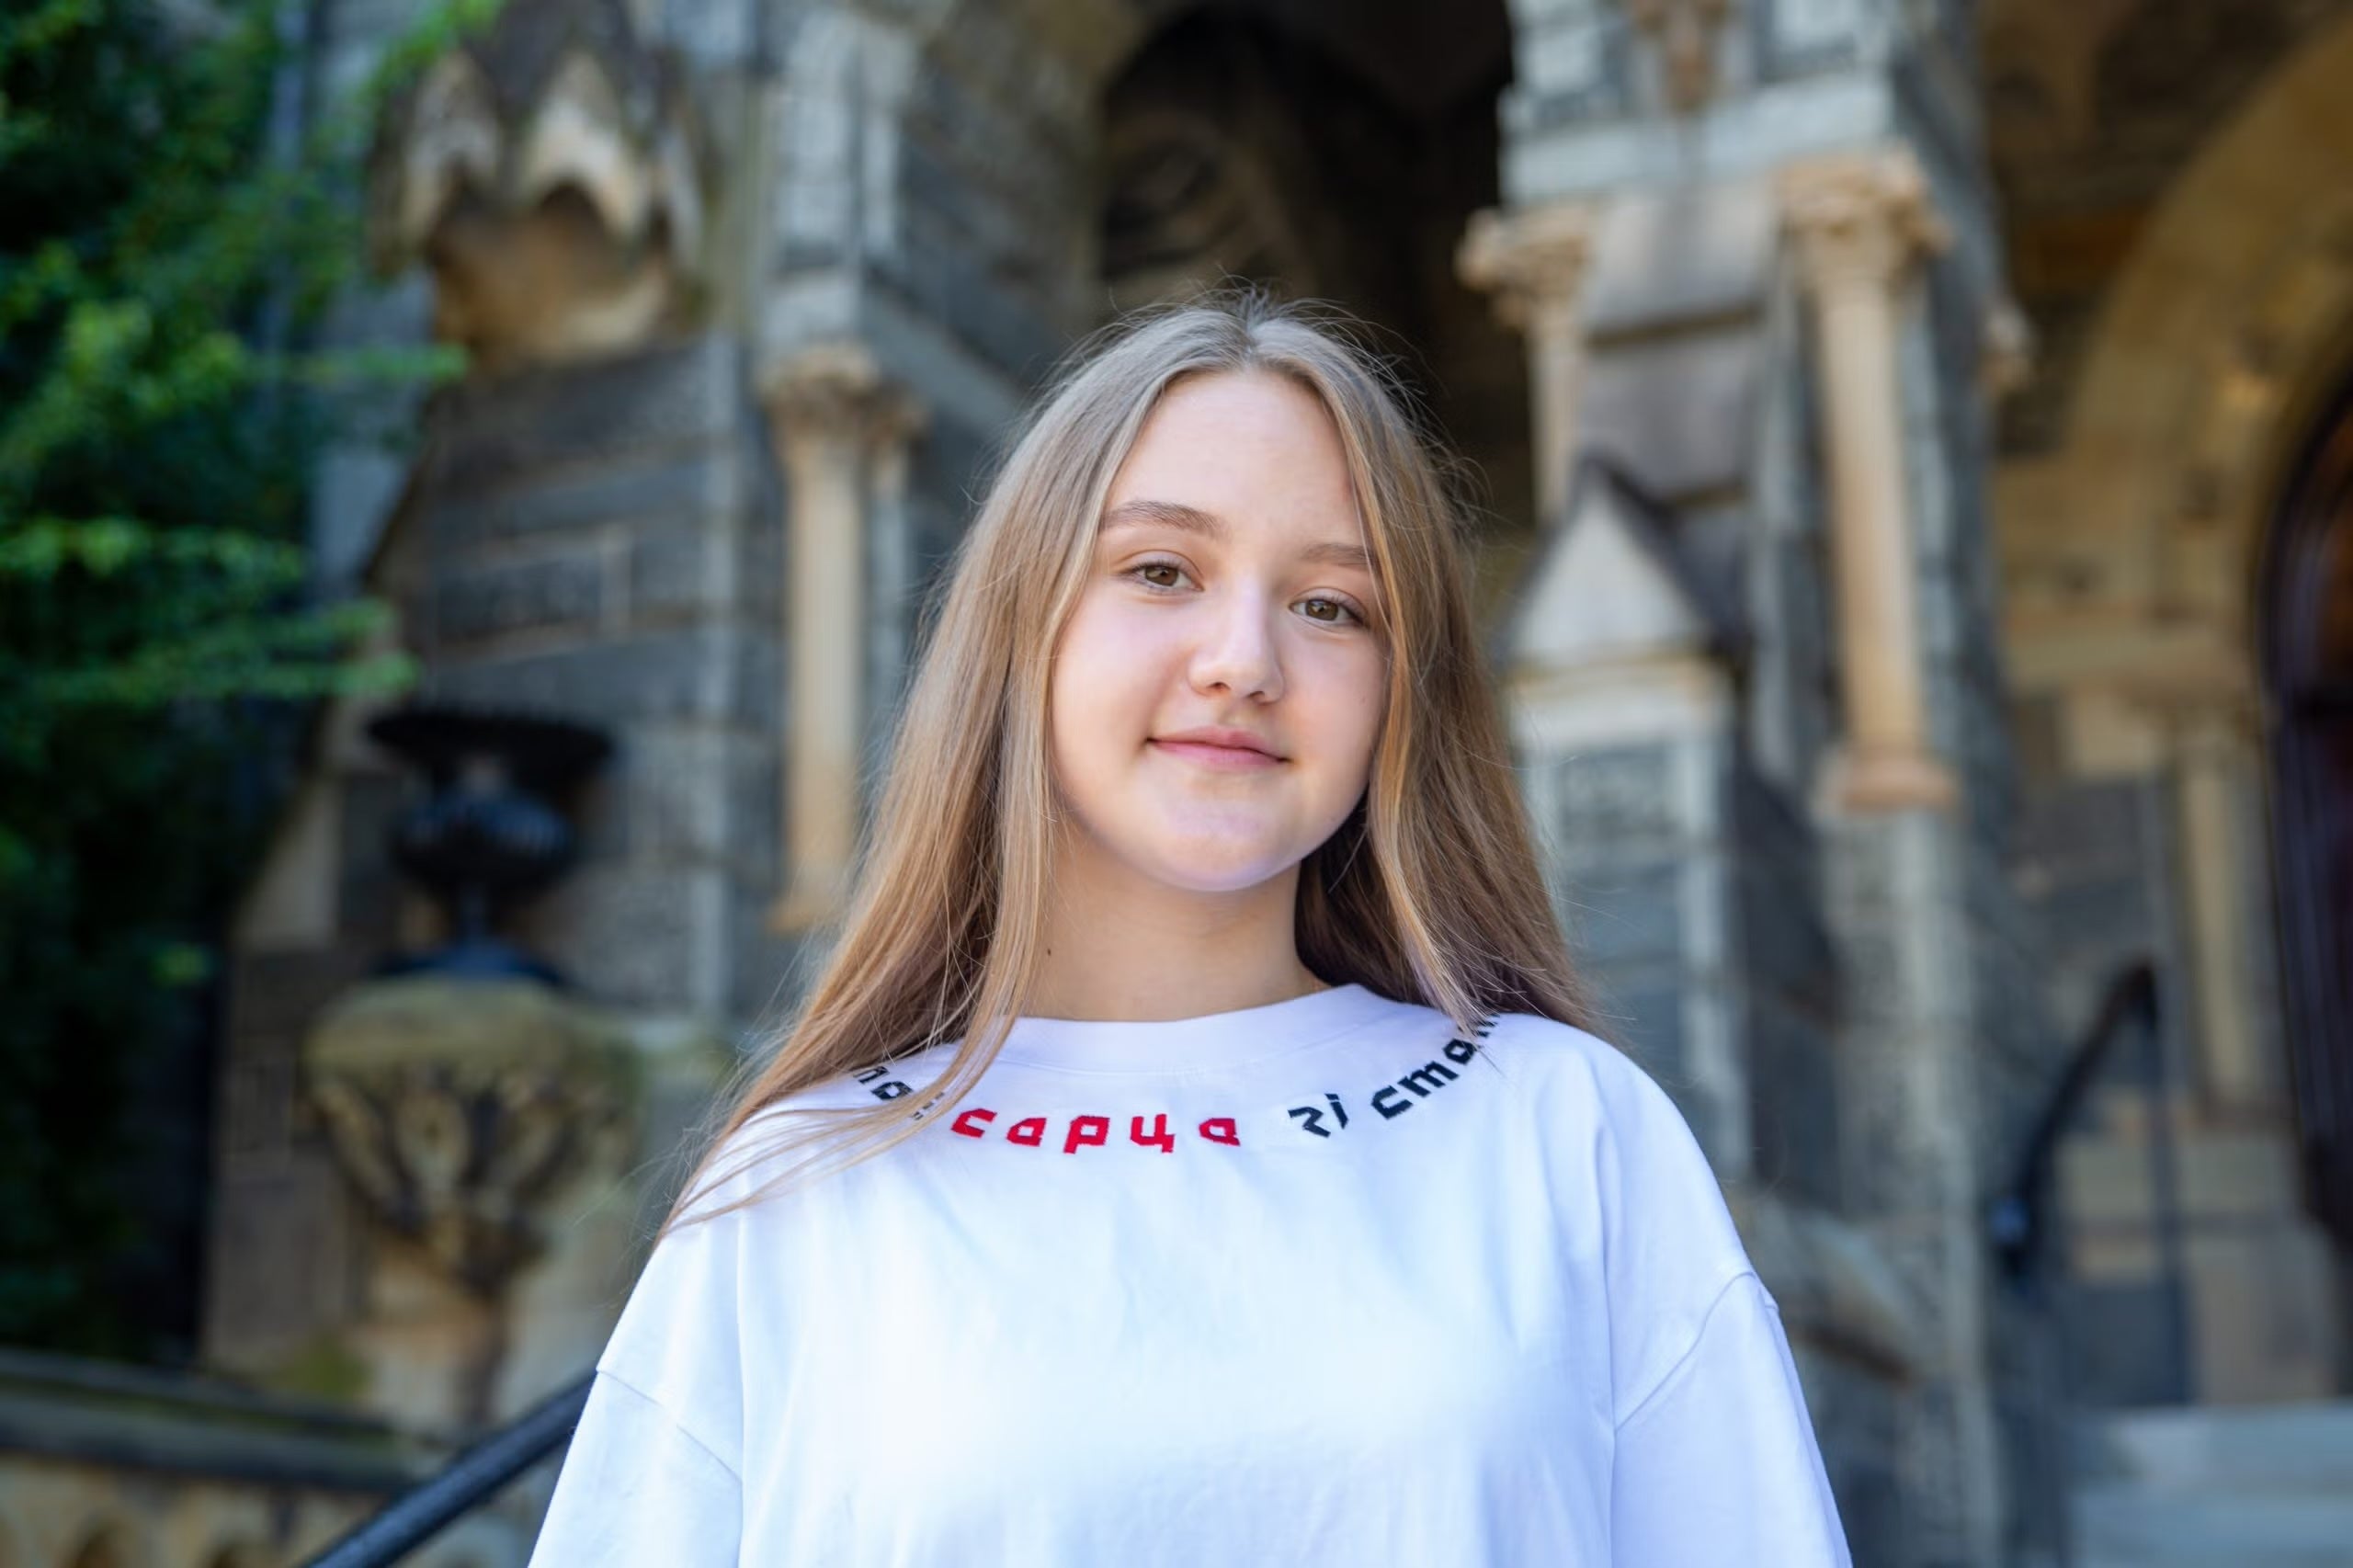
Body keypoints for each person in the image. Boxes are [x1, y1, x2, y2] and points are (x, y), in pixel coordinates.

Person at [526, 295, 1853, 1565]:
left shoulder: (1566, 1132)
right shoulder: (806, 1190)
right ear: (1020, 633)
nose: (1244, 657)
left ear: (1401, 694)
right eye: (1161, 569)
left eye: (1333, 603)